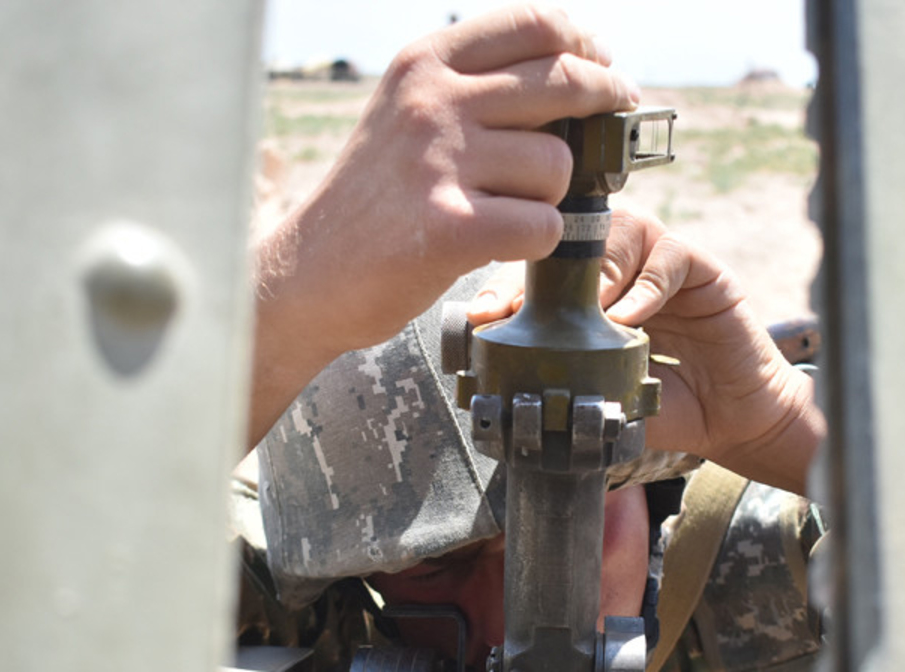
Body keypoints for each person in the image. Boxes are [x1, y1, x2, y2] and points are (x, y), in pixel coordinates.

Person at [235, 5, 827, 671]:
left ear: (649, 490)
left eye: (573, 526)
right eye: (434, 566)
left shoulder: (764, 566)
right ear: (357, 577)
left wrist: (781, 431)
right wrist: (285, 302)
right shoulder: (319, 627)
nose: (505, 625)